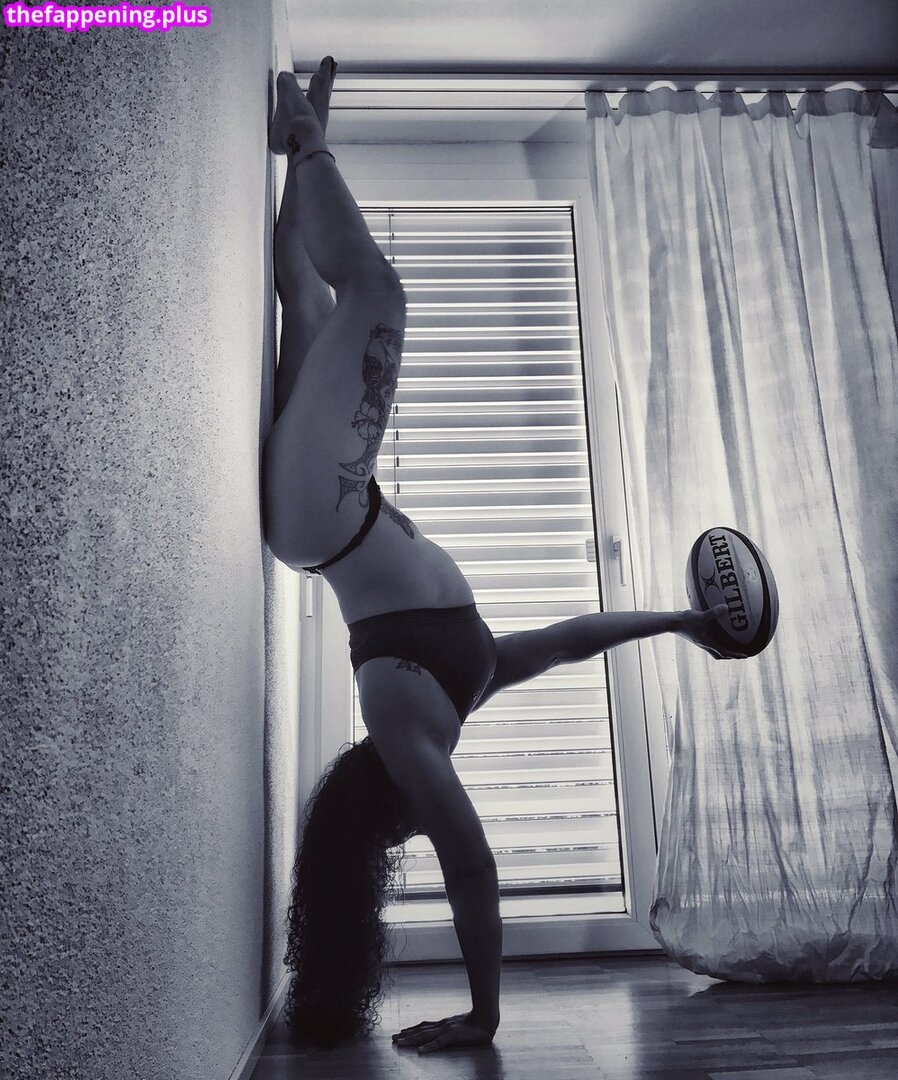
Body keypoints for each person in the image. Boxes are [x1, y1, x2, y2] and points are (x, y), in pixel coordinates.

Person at [263, 58, 729, 1054]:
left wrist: (485, 1015)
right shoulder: (451, 698)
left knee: (376, 292)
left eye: (401, 835)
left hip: (324, 518)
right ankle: (301, 151)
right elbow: (566, 640)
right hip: (335, 512)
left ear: (386, 815)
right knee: (308, 302)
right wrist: (679, 621)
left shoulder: (402, 726)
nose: (419, 832)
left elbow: (471, 865)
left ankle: (307, 142)